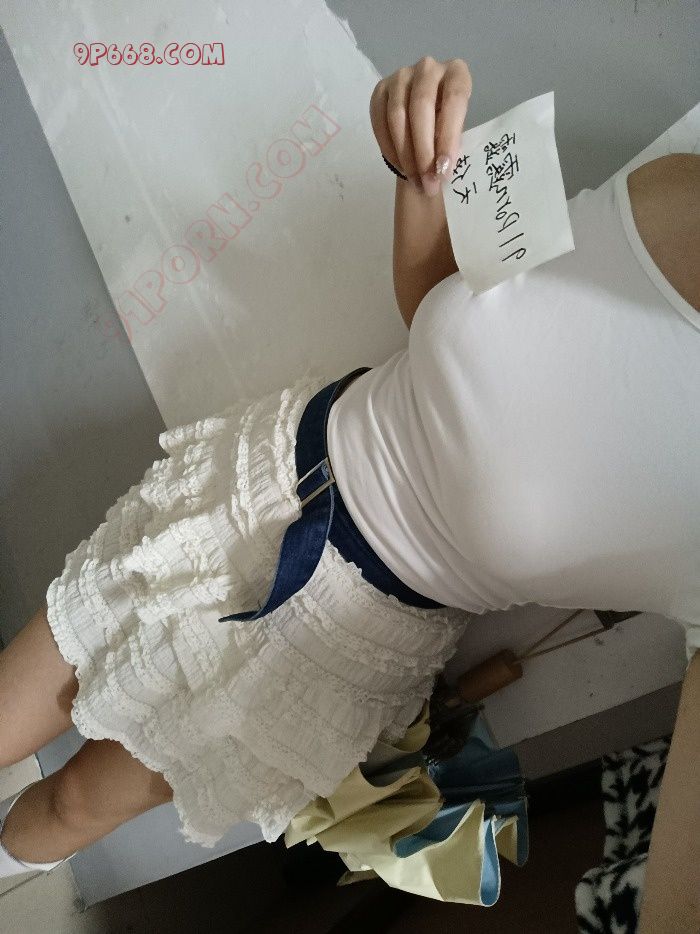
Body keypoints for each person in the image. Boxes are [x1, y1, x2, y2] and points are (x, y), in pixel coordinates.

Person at [0, 57, 698, 927]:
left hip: (347, 650)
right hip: (259, 482)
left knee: (76, 805)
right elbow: (448, 321)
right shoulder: (679, 187)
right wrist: (421, 178)